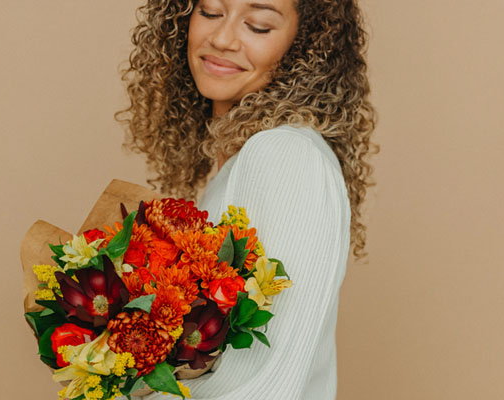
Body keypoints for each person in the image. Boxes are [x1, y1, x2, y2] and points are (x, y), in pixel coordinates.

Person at [115, 0, 378, 398]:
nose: (222, 38)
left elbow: (266, 381)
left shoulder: (284, 155)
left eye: (257, 26)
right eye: (209, 11)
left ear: (305, 44)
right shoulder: (242, 158)